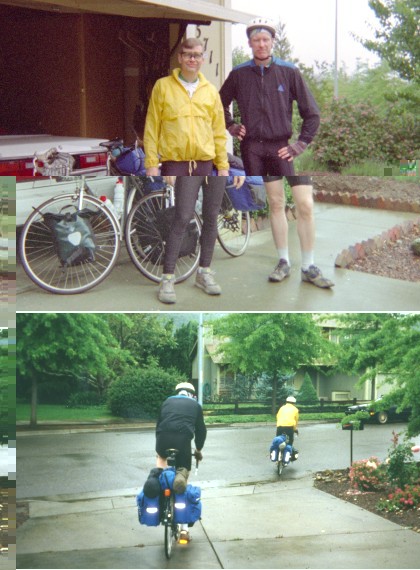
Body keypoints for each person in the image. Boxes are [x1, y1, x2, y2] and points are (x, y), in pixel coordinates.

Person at [219, 18, 334, 289]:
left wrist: (300, 145)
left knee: (304, 205)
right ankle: (283, 261)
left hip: (283, 147)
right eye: (256, 40)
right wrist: (231, 126)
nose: (261, 44)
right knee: (276, 203)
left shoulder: (289, 71)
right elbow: (217, 104)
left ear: (272, 43)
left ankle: (309, 265)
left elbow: (312, 114)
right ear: (249, 43)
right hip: (253, 148)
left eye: (266, 40)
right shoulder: (239, 74)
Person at [144, 38, 229, 176]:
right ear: (180, 58)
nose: (192, 59)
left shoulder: (211, 91)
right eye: (187, 54)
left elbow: (218, 132)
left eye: (197, 55)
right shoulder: (163, 86)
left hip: (204, 164)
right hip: (174, 164)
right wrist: (151, 164)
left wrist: (223, 166)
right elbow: (152, 128)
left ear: (203, 59)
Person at [158, 174, 244, 304]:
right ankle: (167, 278)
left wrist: (238, 169)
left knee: (211, 217)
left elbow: (227, 152)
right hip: (189, 164)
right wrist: (169, 166)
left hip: (217, 165)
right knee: (182, 217)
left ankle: (204, 272)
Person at [154, 381, 206, 543]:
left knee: (160, 462)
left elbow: (158, 426)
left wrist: (160, 449)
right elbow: (201, 431)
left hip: (163, 440)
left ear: (177, 392)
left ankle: (160, 486)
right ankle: (184, 530)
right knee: (183, 478)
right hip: (183, 442)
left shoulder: (167, 402)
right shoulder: (195, 406)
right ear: (192, 394)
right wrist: (197, 450)